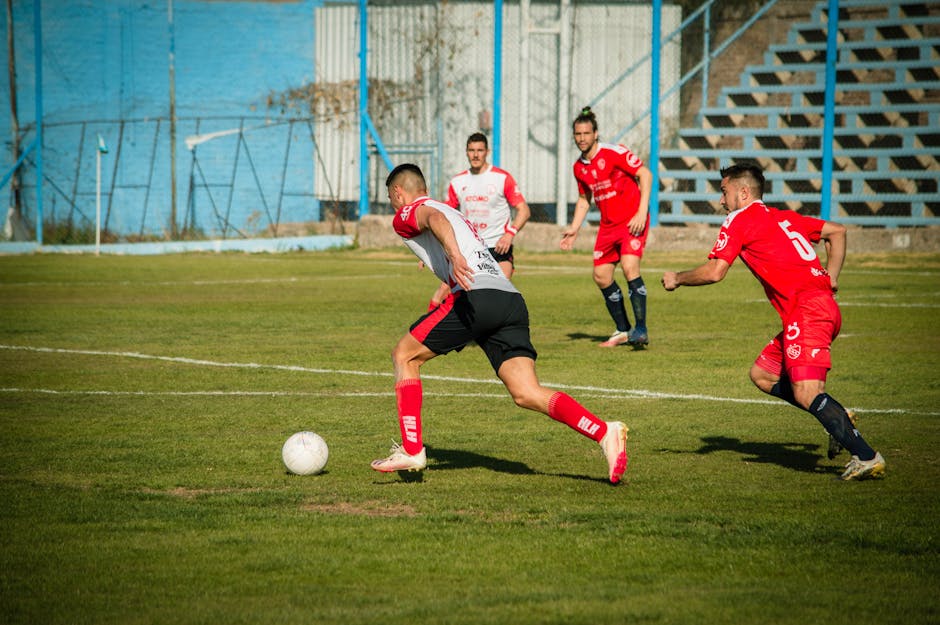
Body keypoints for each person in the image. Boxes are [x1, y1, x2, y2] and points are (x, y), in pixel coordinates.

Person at [372, 163, 629, 484]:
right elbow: (440, 223)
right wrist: (446, 254)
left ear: (398, 192)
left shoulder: (410, 212)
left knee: (404, 355)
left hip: (475, 297)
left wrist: (452, 254)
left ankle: (412, 450)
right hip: (509, 299)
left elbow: (432, 221)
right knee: (526, 392)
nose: (392, 203)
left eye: (390, 196)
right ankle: (605, 432)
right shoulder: (450, 209)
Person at [660, 162, 885, 481]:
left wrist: (678, 278)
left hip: (807, 313)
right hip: (820, 309)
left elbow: (715, 271)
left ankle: (866, 456)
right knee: (763, 374)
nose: (721, 201)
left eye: (724, 192)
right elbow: (838, 231)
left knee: (807, 393)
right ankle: (837, 417)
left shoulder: (739, 219)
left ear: (743, 191)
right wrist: (830, 277)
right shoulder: (782, 217)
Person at [560, 106, 654, 348]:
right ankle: (623, 330)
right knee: (601, 276)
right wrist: (574, 228)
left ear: (596, 133)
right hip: (608, 226)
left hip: (632, 220)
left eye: (586, 133)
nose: (582, 138)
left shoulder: (613, 153)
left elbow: (645, 174)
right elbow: (584, 199)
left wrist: (642, 212)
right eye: (578, 134)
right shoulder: (578, 167)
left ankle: (640, 330)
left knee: (629, 265)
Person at [427, 132, 531, 310]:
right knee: (443, 292)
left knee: (499, 292)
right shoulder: (458, 181)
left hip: (499, 247)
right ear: (466, 152)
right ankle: (430, 331)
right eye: (471, 150)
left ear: (487, 152)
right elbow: (443, 216)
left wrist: (510, 234)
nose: (475, 155)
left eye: (480, 150)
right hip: (470, 247)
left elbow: (524, 210)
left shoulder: (501, 178)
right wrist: (430, 244)